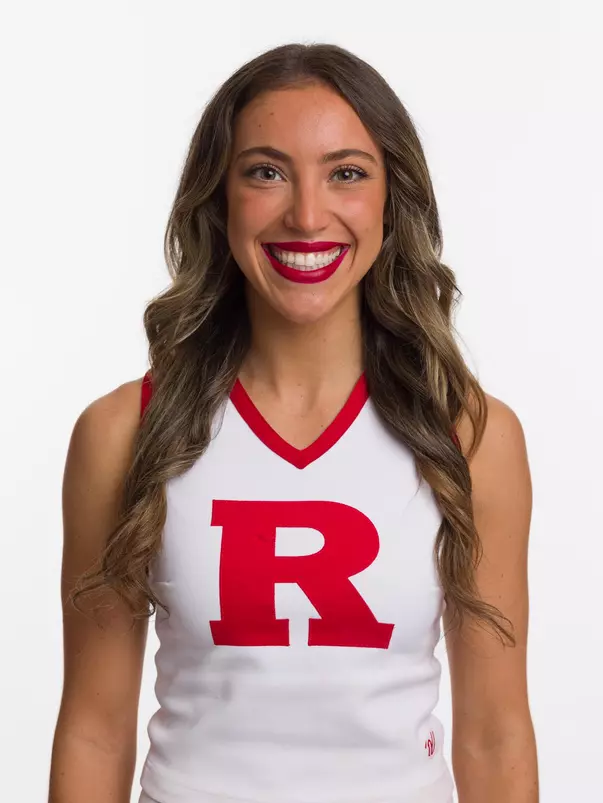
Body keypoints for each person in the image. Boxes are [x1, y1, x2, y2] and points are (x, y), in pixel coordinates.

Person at [49, 43, 538, 803]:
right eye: (265, 171)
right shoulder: (123, 433)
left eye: (346, 172)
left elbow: (493, 732)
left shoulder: (470, 438)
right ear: (218, 196)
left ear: (389, 199)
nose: (307, 214)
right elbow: (94, 726)